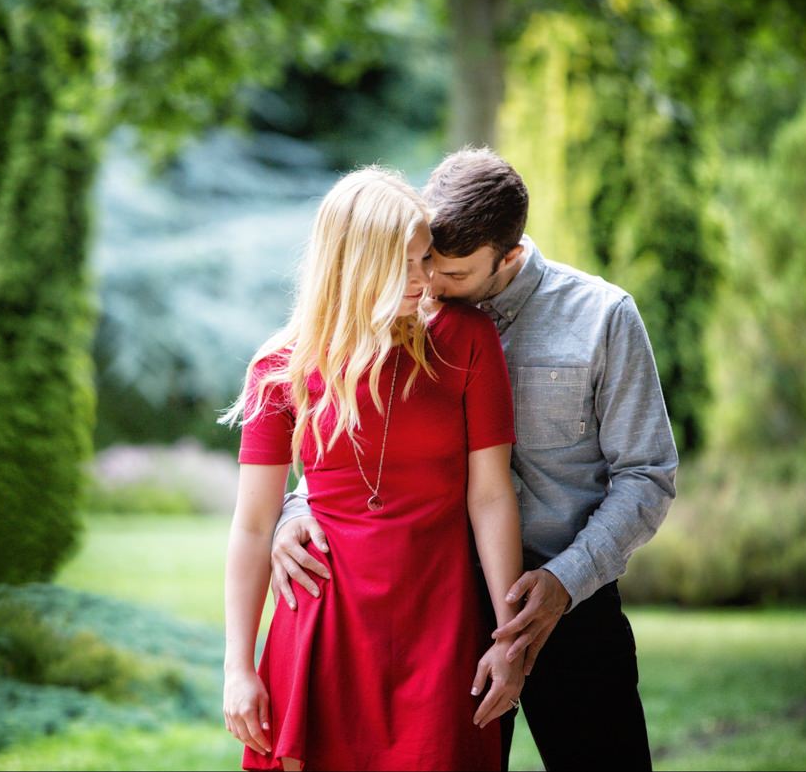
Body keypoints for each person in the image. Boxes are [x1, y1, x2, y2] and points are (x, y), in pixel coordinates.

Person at [270, 148, 678, 771]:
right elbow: (349, 427)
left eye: (453, 275)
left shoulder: (602, 318)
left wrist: (564, 582)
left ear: (509, 256)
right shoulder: (403, 308)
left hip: (565, 600)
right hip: (438, 609)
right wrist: (296, 510)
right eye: (426, 262)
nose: (431, 285)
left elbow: (647, 477)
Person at [221, 166, 525, 771]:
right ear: (359, 264)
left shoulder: (467, 339)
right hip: (322, 630)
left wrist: (509, 640)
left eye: (427, 259)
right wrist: (237, 668)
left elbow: (489, 497)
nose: (428, 279)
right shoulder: (279, 370)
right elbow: (253, 526)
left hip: (439, 628)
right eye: (409, 264)